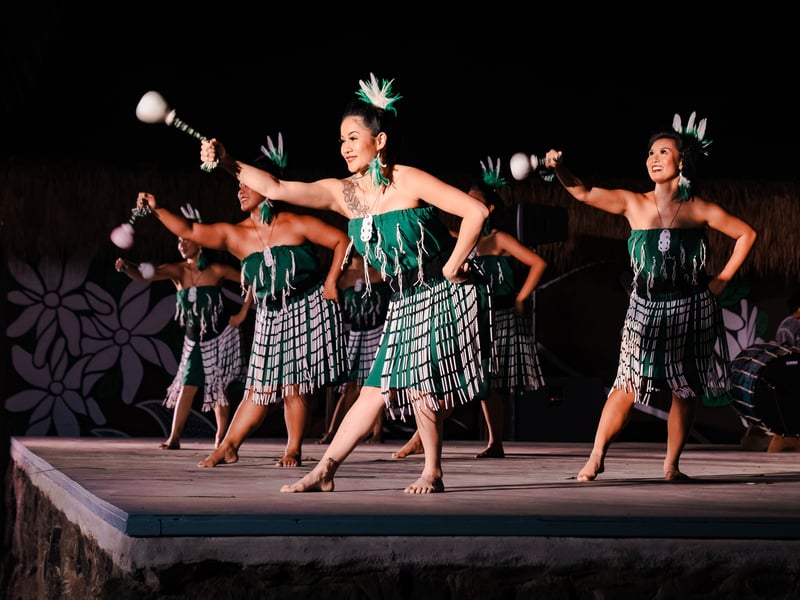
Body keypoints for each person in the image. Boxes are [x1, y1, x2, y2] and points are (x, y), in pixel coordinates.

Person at [200, 73, 490, 493]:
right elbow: (276, 187)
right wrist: (229, 161)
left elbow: (476, 214)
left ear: (380, 140)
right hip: (404, 299)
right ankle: (325, 470)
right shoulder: (343, 194)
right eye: (341, 141)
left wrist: (452, 267)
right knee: (373, 390)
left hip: (441, 291)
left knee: (418, 381)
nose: (346, 147)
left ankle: (431, 470)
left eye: (354, 138)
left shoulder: (408, 180)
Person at [544, 111, 757, 481]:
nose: (653, 159)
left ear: (681, 161)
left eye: (663, 152)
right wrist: (560, 168)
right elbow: (583, 192)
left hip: (691, 308)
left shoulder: (699, 209)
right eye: (650, 154)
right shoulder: (634, 203)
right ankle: (596, 456)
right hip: (645, 307)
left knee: (684, 388)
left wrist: (722, 280)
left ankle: (671, 464)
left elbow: (746, 234)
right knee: (628, 382)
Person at [135, 134, 350, 468]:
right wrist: (157, 208)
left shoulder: (295, 224)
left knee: (294, 386)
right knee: (258, 387)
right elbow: (190, 231)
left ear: (268, 185)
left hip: (306, 308)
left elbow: (341, 241)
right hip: (268, 315)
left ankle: (293, 449)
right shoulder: (234, 235)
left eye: (247, 183)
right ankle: (229, 446)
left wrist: (332, 282)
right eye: (238, 185)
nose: (240, 190)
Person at [390, 158, 549, 459]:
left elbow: (538, 263)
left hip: (499, 315)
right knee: (455, 376)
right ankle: (422, 437)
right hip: (468, 315)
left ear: (489, 208)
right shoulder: (457, 238)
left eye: (474, 201)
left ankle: (494, 442)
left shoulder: (498, 239)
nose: (467, 203)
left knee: (489, 383)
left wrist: (521, 298)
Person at [115, 207, 252, 450]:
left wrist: (242, 313)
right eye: (179, 241)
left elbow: (252, 279)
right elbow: (144, 276)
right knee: (188, 386)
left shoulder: (217, 271)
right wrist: (127, 267)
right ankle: (174, 437)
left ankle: (221, 438)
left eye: (186, 240)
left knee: (217, 387)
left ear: (200, 242)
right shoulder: (177, 271)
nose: (181, 244)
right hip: (193, 341)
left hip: (220, 336)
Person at [317, 252, 390, 445]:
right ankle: (333, 431)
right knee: (350, 385)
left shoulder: (380, 271)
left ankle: (377, 432)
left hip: (378, 330)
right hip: (356, 332)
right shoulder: (342, 276)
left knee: (376, 383)